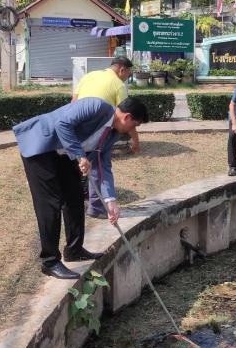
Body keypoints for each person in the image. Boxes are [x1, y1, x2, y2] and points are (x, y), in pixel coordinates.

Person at [14, 96, 149, 279]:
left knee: (75, 196)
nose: (133, 131)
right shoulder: (95, 106)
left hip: (65, 153)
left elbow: (104, 166)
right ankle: (50, 262)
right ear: (127, 117)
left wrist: (111, 201)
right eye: (135, 125)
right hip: (41, 146)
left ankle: (74, 249)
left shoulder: (112, 134)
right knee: (50, 203)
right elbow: (62, 124)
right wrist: (79, 155)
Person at [73, 56, 140, 219]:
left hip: (77, 128)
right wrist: (136, 141)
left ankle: (76, 200)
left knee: (80, 164)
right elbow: (126, 118)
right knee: (100, 166)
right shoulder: (119, 85)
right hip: (99, 130)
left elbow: (73, 102)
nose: (127, 77)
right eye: (128, 74)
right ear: (122, 69)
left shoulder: (88, 76)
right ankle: (96, 207)